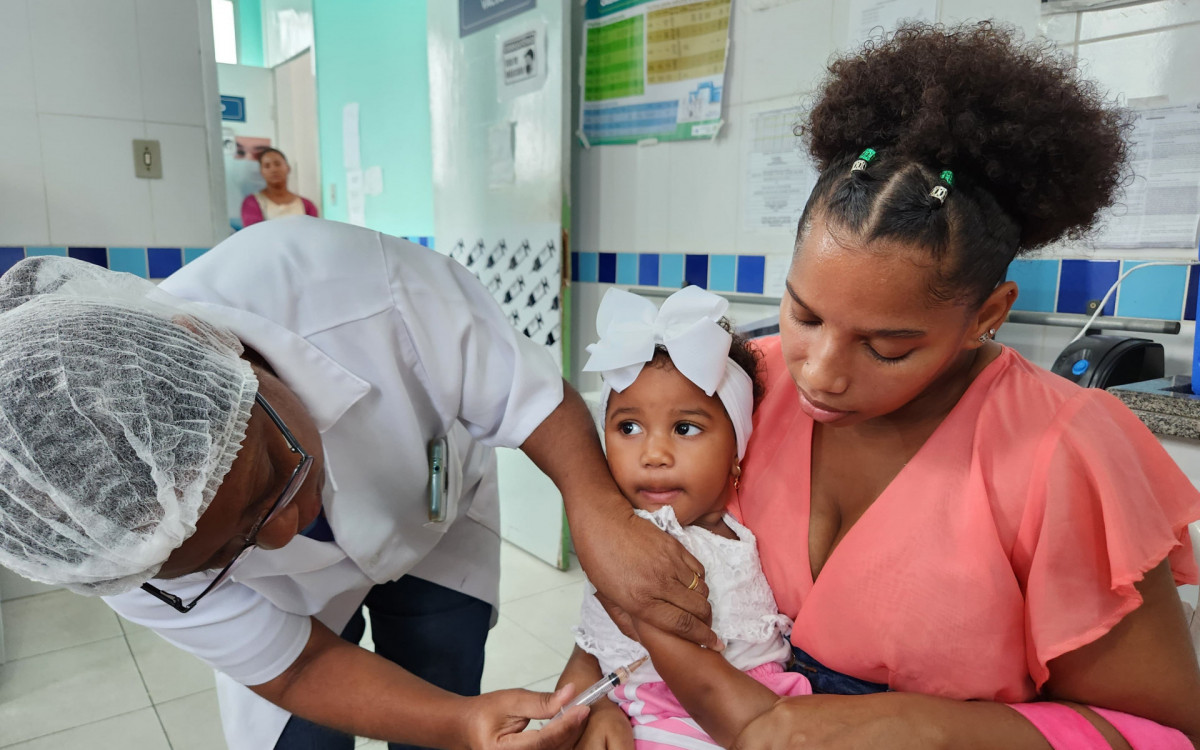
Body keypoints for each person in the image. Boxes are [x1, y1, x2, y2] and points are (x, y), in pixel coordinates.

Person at [614, 22, 1200, 750]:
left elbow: (1159, 733)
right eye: (804, 315)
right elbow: (625, 529)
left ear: (987, 315)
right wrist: (608, 695)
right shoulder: (741, 385)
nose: (819, 373)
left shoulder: (1063, 452)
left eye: (887, 346)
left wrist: (922, 725)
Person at [0, 217, 717, 750]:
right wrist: (463, 723)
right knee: (308, 735)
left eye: (273, 472)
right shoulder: (104, 532)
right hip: (287, 608)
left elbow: (526, 398)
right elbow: (297, 668)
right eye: (227, 552)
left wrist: (597, 512)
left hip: (436, 521)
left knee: (440, 671)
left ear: (217, 346)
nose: (287, 529)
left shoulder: (354, 287)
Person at [557, 286, 812, 749]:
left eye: (685, 428)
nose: (654, 453)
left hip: (739, 719)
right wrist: (595, 709)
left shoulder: (750, 539)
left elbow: (730, 705)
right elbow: (588, 653)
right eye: (628, 427)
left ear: (735, 451)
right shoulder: (619, 542)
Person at [241, 147, 319, 227]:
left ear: (288, 168)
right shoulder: (251, 203)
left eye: (277, 164)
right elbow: (254, 232)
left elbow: (313, 232)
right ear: (261, 172)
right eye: (267, 166)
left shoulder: (307, 205)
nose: (273, 170)